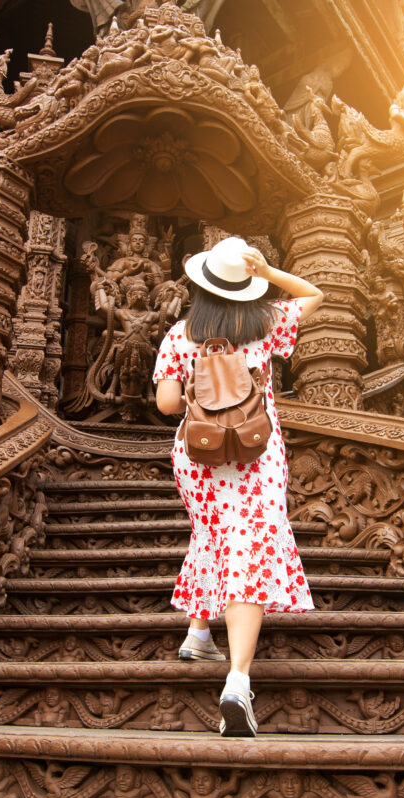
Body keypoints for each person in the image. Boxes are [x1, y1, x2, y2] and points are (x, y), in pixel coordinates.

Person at [151, 236, 324, 737]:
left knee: (214, 536)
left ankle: (199, 630)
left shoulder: (182, 333)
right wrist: (270, 273)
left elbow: (165, 405)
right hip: (256, 452)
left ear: (202, 286)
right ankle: (237, 680)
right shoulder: (266, 324)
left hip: (199, 453)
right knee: (247, 545)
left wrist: (200, 388)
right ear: (246, 285)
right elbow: (314, 295)